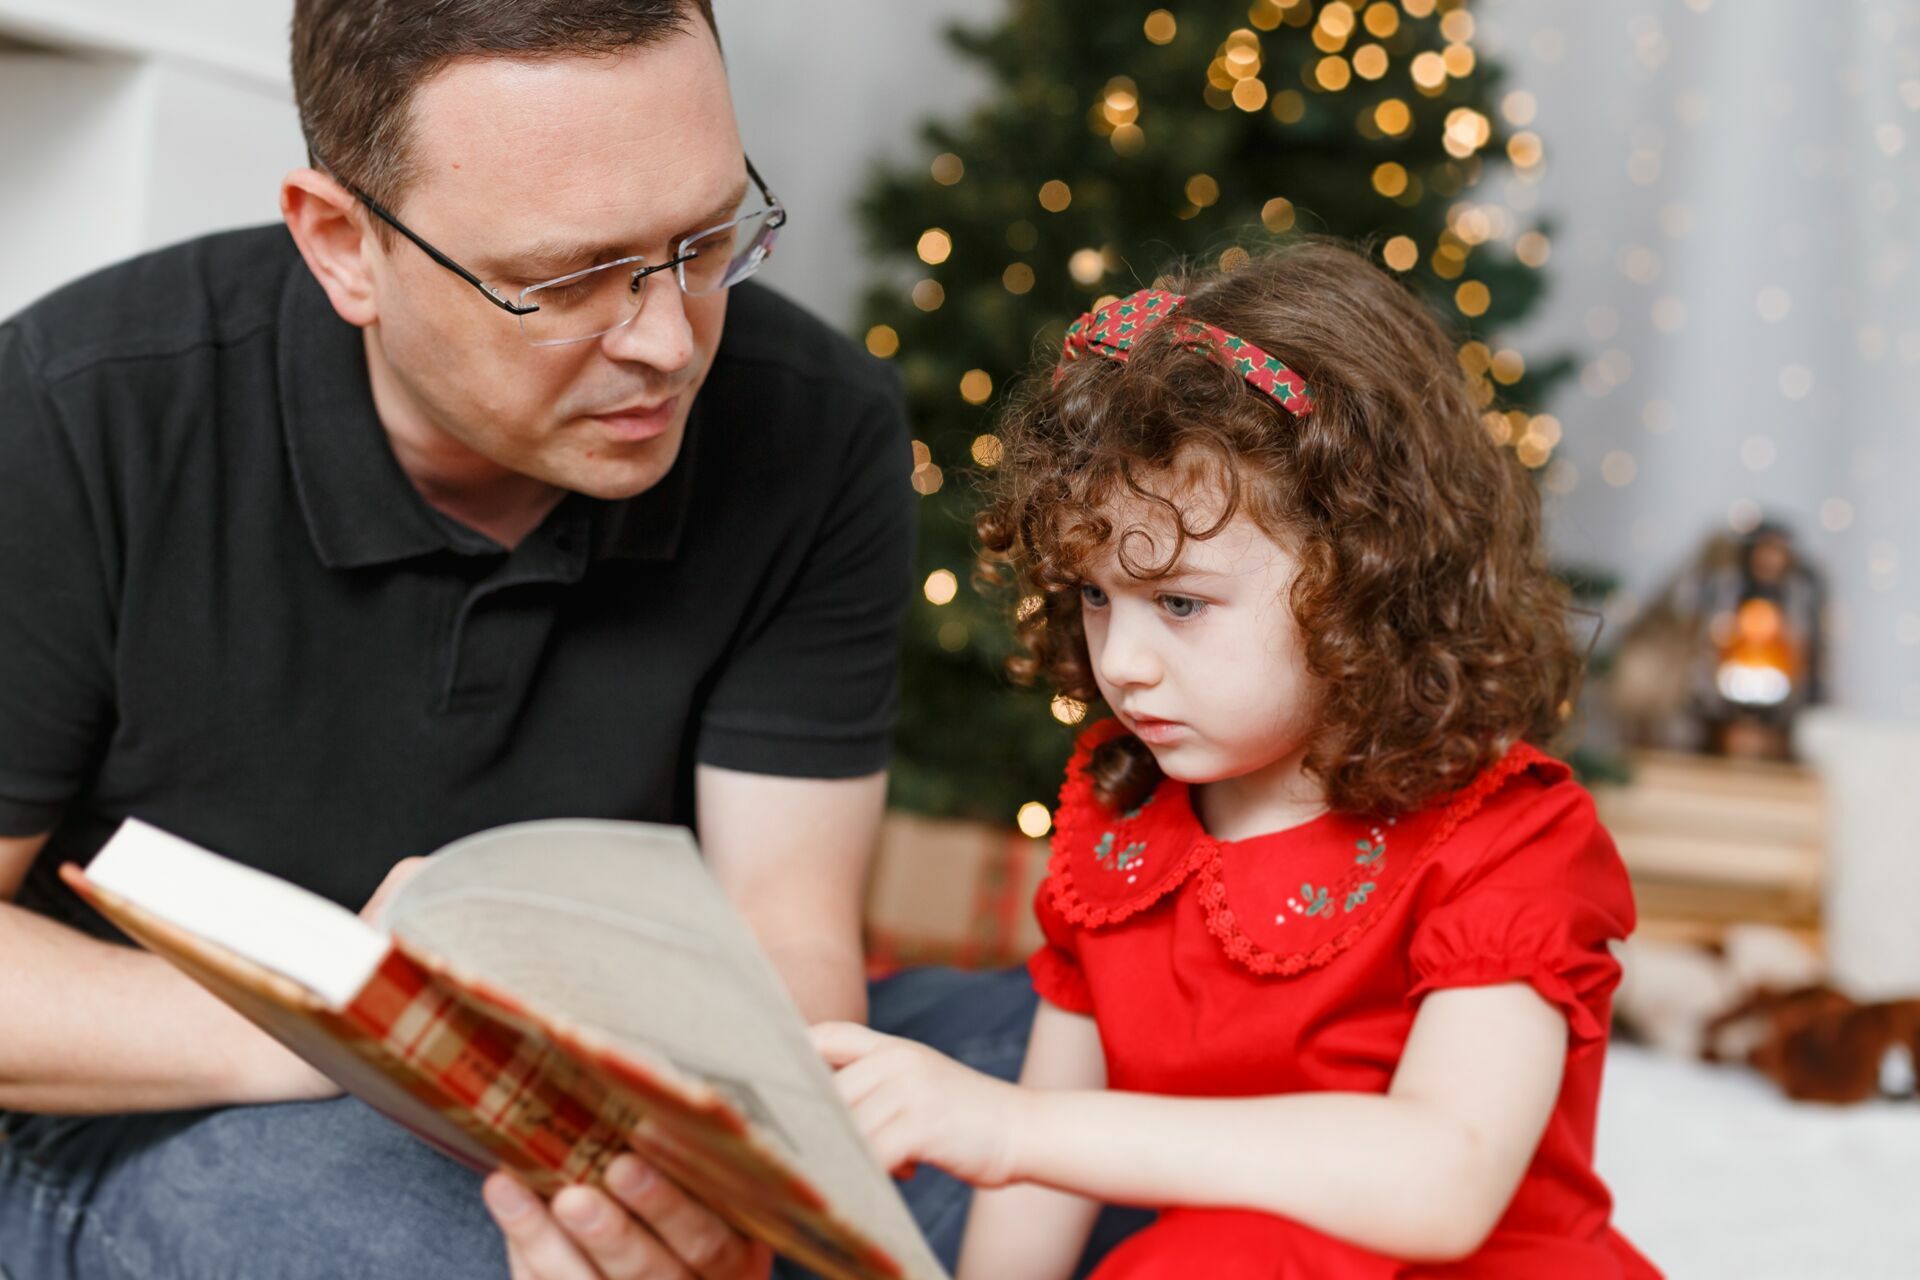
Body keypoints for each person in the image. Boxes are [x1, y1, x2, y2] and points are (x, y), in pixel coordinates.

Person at [0, 3, 1036, 1277]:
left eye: (707, 238)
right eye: (564, 280)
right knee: (412, 1236)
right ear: (343, 246)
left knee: (1090, 1079)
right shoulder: (74, 413)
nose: (666, 342)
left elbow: (792, 933)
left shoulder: (814, 420)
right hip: (164, 1091)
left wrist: (735, 1190)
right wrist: (342, 1020)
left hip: (613, 1080)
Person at [812, 244, 1664, 1278]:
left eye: (1179, 602)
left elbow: (1443, 1182)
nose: (1122, 662)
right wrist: (1025, 1141)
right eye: (1094, 595)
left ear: (1364, 575)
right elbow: (1041, 1178)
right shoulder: (1119, 819)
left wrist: (1015, 1127)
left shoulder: (1508, 839)